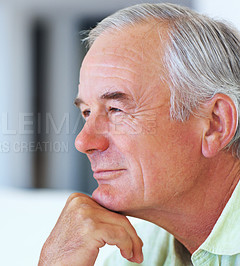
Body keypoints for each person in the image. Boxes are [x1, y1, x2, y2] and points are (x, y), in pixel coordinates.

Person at [39, 3, 240, 265]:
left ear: (215, 124)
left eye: (115, 109)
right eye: (87, 112)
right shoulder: (137, 254)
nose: (83, 142)